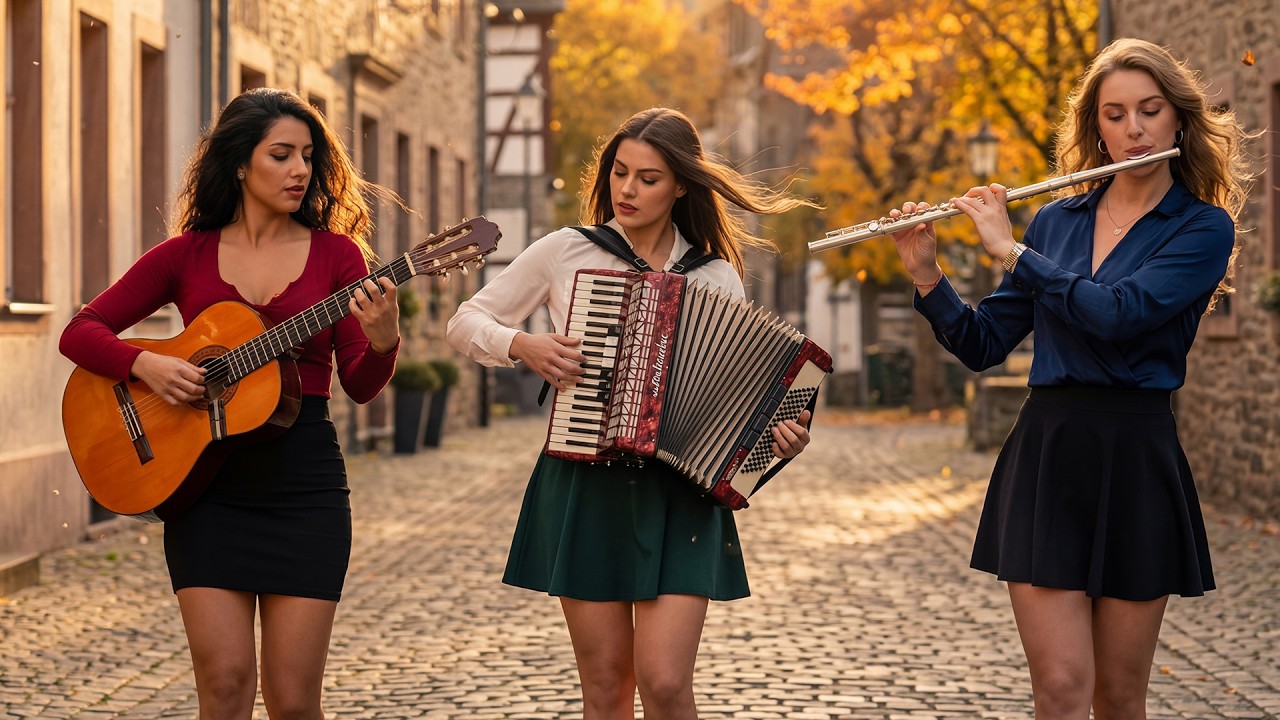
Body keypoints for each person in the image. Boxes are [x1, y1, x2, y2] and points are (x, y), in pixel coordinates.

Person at [889, 38, 1254, 720]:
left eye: (1149, 110)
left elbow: (1120, 316)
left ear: (1177, 118)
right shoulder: (1056, 221)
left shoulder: (1202, 229)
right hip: (1048, 454)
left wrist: (1010, 250)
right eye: (1115, 114)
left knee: (1117, 698)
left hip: (1136, 457)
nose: (1134, 128)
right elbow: (982, 344)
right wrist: (925, 273)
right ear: (1097, 126)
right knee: (1059, 690)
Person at [448, 107, 816, 719]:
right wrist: (524, 345)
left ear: (679, 186)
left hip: (681, 495)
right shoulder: (567, 250)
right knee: (607, 688)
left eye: (648, 178)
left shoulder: (717, 277)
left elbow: (738, 404)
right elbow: (467, 321)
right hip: (585, 483)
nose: (627, 189)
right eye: (620, 172)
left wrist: (775, 439)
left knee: (667, 684)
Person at [60, 87, 402, 719]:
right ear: (241, 163)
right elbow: (80, 331)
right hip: (206, 488)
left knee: (295, 702)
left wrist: (384, 341)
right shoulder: (186, 255)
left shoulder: (338, 256)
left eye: (308, 156)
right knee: (223, 686)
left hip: (304, 486)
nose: (301, 170)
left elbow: (358, 381)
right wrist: (148, 364)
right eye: (282, 155)